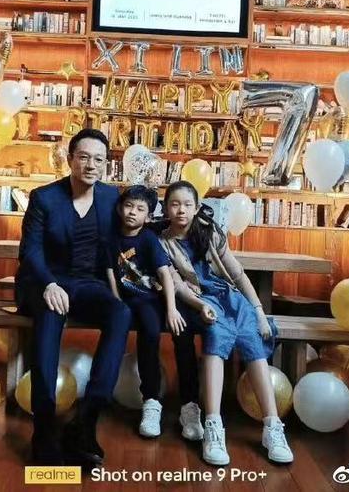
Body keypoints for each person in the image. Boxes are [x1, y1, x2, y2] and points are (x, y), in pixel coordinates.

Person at [15, 128, 132, 468]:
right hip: (45, 281)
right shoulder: (44, 198)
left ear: (106, 164)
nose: (91, 165)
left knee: (121, 313)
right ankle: (44, 428)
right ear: (70, 160)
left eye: (99, 159)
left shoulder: (110, 198)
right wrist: (49, 284)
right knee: (50, 315)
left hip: (87, 283)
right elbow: (30, 252)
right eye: (84, 157)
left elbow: (137, 228)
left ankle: (87, 420)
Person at [158, 180, 293, 466]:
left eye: (187, 204)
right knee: (215, 338)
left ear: (197, 208)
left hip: (230, 298)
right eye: (174, 204)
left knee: (253, 343)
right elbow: (177, 284)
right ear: (166, 208)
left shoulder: (209, 232)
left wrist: (258, 311)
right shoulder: (163, 242)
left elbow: (238, 274)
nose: (181, 210)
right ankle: (213, 425)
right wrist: (201, 305)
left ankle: (272, 427)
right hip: (202, 300)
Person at [105, 185, 204, 441]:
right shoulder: (111, 238)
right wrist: (117, 301)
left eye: (140, 209)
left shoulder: (149, 238)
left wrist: (171, 309)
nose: (132, 212)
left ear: (149, 216)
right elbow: (110, 272)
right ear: (119, 208)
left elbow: (165, 275)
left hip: (153, 299)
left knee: (174, 331)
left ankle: (188, 405)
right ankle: (151, 401)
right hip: (130, 302)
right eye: (128, 206)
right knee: (146, 333)